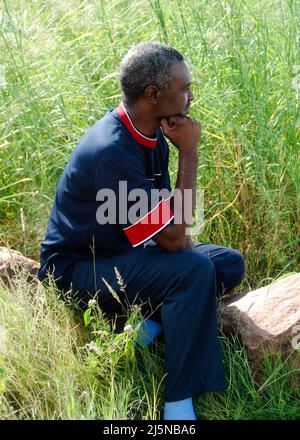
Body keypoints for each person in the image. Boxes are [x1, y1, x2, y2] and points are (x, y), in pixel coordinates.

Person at [38, 41, 246, 420]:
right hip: (75, 269)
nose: (190, 95)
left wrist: (180, 244)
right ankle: (178, 406)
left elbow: (166, 226)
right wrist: (190, 153)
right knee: (194, 270)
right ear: (153, 94)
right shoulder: (112, 150)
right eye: (184, 88)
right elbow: (174, 238)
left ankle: (144, 330)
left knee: (227, 263)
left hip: (121, 252)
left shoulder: (150, 135)